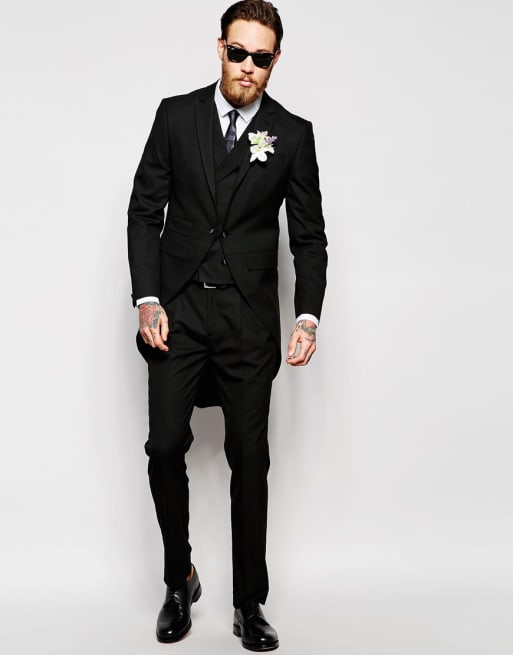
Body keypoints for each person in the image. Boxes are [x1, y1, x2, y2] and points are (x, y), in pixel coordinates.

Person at [127, 0, 327, 649]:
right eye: (237, 52)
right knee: (163, 446)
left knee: (250, 457)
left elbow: (309, 238)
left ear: (275, 61)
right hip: (178, 311)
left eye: (260, 58)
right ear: (220, 48)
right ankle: (178, 579)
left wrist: (306, 315)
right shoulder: (175, 115)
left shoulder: (291, 134)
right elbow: (144, 211)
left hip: (247, 320)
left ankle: (249, 601)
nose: (247, 67)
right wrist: (148, 298)